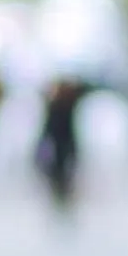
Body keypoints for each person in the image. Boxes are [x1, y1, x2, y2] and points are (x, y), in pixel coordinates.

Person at [33, 69, 90, 218]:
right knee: (58, 173)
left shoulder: (65, 105)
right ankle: (61, 199)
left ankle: (64, 199)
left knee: (64, 173)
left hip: (65, 144)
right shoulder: (57, 106)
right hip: (60, 145)